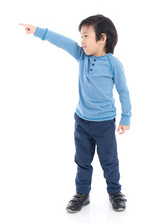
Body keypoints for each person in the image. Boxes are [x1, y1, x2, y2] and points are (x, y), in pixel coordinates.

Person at [19, 14, 131, 213]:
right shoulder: (81, 56)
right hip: (82, 122)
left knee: (109, 160)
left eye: (86, 36)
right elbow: (62, 42)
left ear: (102, 38)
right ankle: (82, 194)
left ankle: (115, 192)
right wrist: (37, 31)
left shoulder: (114, 64)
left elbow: (123, 91)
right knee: (82, 160)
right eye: (81, 36)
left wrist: (126, 117)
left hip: (105, 123)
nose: (82, 41)